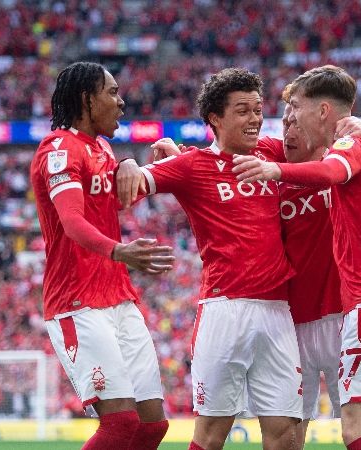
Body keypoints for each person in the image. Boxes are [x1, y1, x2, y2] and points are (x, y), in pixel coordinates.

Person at [233, 65, 361, 450]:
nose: (290, 120)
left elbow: (330, 171)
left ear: (322, 111)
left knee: (360, 428)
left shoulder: (350, 146)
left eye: (297, 109)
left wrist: (274, 171)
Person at [118, 68, 303, 450]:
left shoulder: (270, 152)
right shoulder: (192, 166)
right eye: (242, 111)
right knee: (212, 432)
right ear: (215, 119)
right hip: (225, 310)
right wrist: (128, 165)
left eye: (257, 109)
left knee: (285, 432)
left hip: (278, 312)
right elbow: (132, 185)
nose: (254, 119)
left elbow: (318, 149)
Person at [29, 61, 175, 450]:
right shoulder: (58, 149)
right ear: (86, 100)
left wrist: (145, 165)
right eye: (112, 93)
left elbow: (119, 198)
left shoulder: (103, 148)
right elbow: (73, 221)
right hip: (77, 301)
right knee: (120, 423)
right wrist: (120, 251)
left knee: (152, 426)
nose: (121, 102)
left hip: (118, 297)